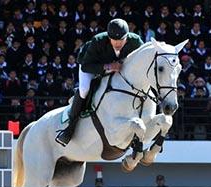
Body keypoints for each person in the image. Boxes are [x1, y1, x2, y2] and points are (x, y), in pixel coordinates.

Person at [55, 18, 144, 146]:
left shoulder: (135, 41)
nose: (118, 43)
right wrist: (108, 67)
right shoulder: (98, 41)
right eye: (115, 40)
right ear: (109, 37)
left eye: (121, 40)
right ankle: (69, 128)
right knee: (84, 90)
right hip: (92, 65)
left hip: (118, 67)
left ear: (127, 36)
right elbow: (86, 66)